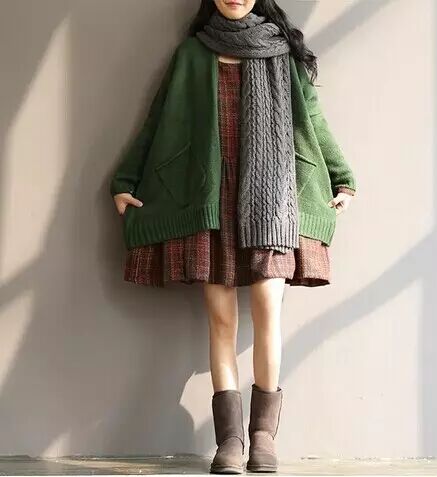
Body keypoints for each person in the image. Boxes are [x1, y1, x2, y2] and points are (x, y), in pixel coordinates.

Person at [110, 0, 356, 473]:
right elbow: (159, 122)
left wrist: (343, 177)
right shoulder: (193, 53)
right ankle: (230, 440)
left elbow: (311, 119)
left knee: (267, 312)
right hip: (212, 201)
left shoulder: (281, 52)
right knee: (221, 320)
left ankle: (263, 436)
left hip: (272, 200)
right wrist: (125, 181)